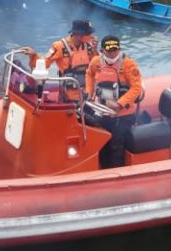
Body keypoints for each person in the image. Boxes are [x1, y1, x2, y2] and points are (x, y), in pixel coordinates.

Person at [85, 35, 144, 168]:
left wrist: (119, 104)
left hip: (122, 114)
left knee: (116, 145)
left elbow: (136, 88)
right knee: (101, 142)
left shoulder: (129, 64)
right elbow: (89, 75)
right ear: (102, 50)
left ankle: (117, 171)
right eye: (109, 50)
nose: (112, 53)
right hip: (103, 111)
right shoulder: (96, 62)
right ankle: (102, 168)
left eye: (115, 50)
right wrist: (89, 93)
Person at [23, 19, 98, 102]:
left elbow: (96, 66)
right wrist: (33, 55)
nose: (91, 36)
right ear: (79, 35)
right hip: (68, 94)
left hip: (87, 93)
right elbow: (44, 64)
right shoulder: (59, 46)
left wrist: (95, 49)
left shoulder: (89, 46)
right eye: (88, 34)